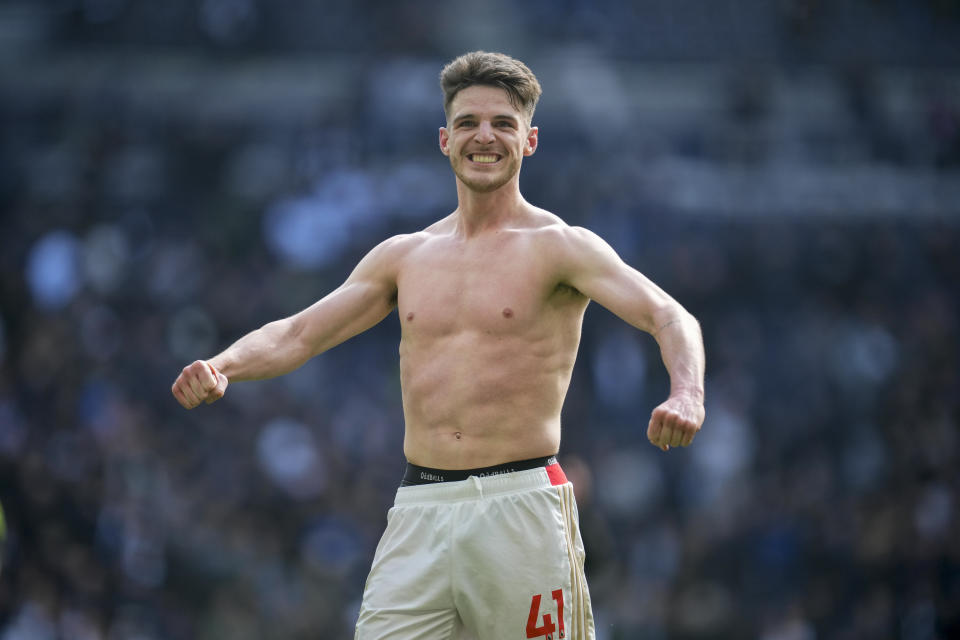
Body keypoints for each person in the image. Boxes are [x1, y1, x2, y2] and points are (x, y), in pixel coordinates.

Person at [172, 51, 705, 639]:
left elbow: (669, 315)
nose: (486, 136)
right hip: (419, 509)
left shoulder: (561, 246)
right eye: (471, 122)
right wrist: (222, 366)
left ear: (529, 141)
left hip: (520, 504)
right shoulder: (404, 256)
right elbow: (298, 332)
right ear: (445, 139)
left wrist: (687, 393)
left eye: (504, 123)